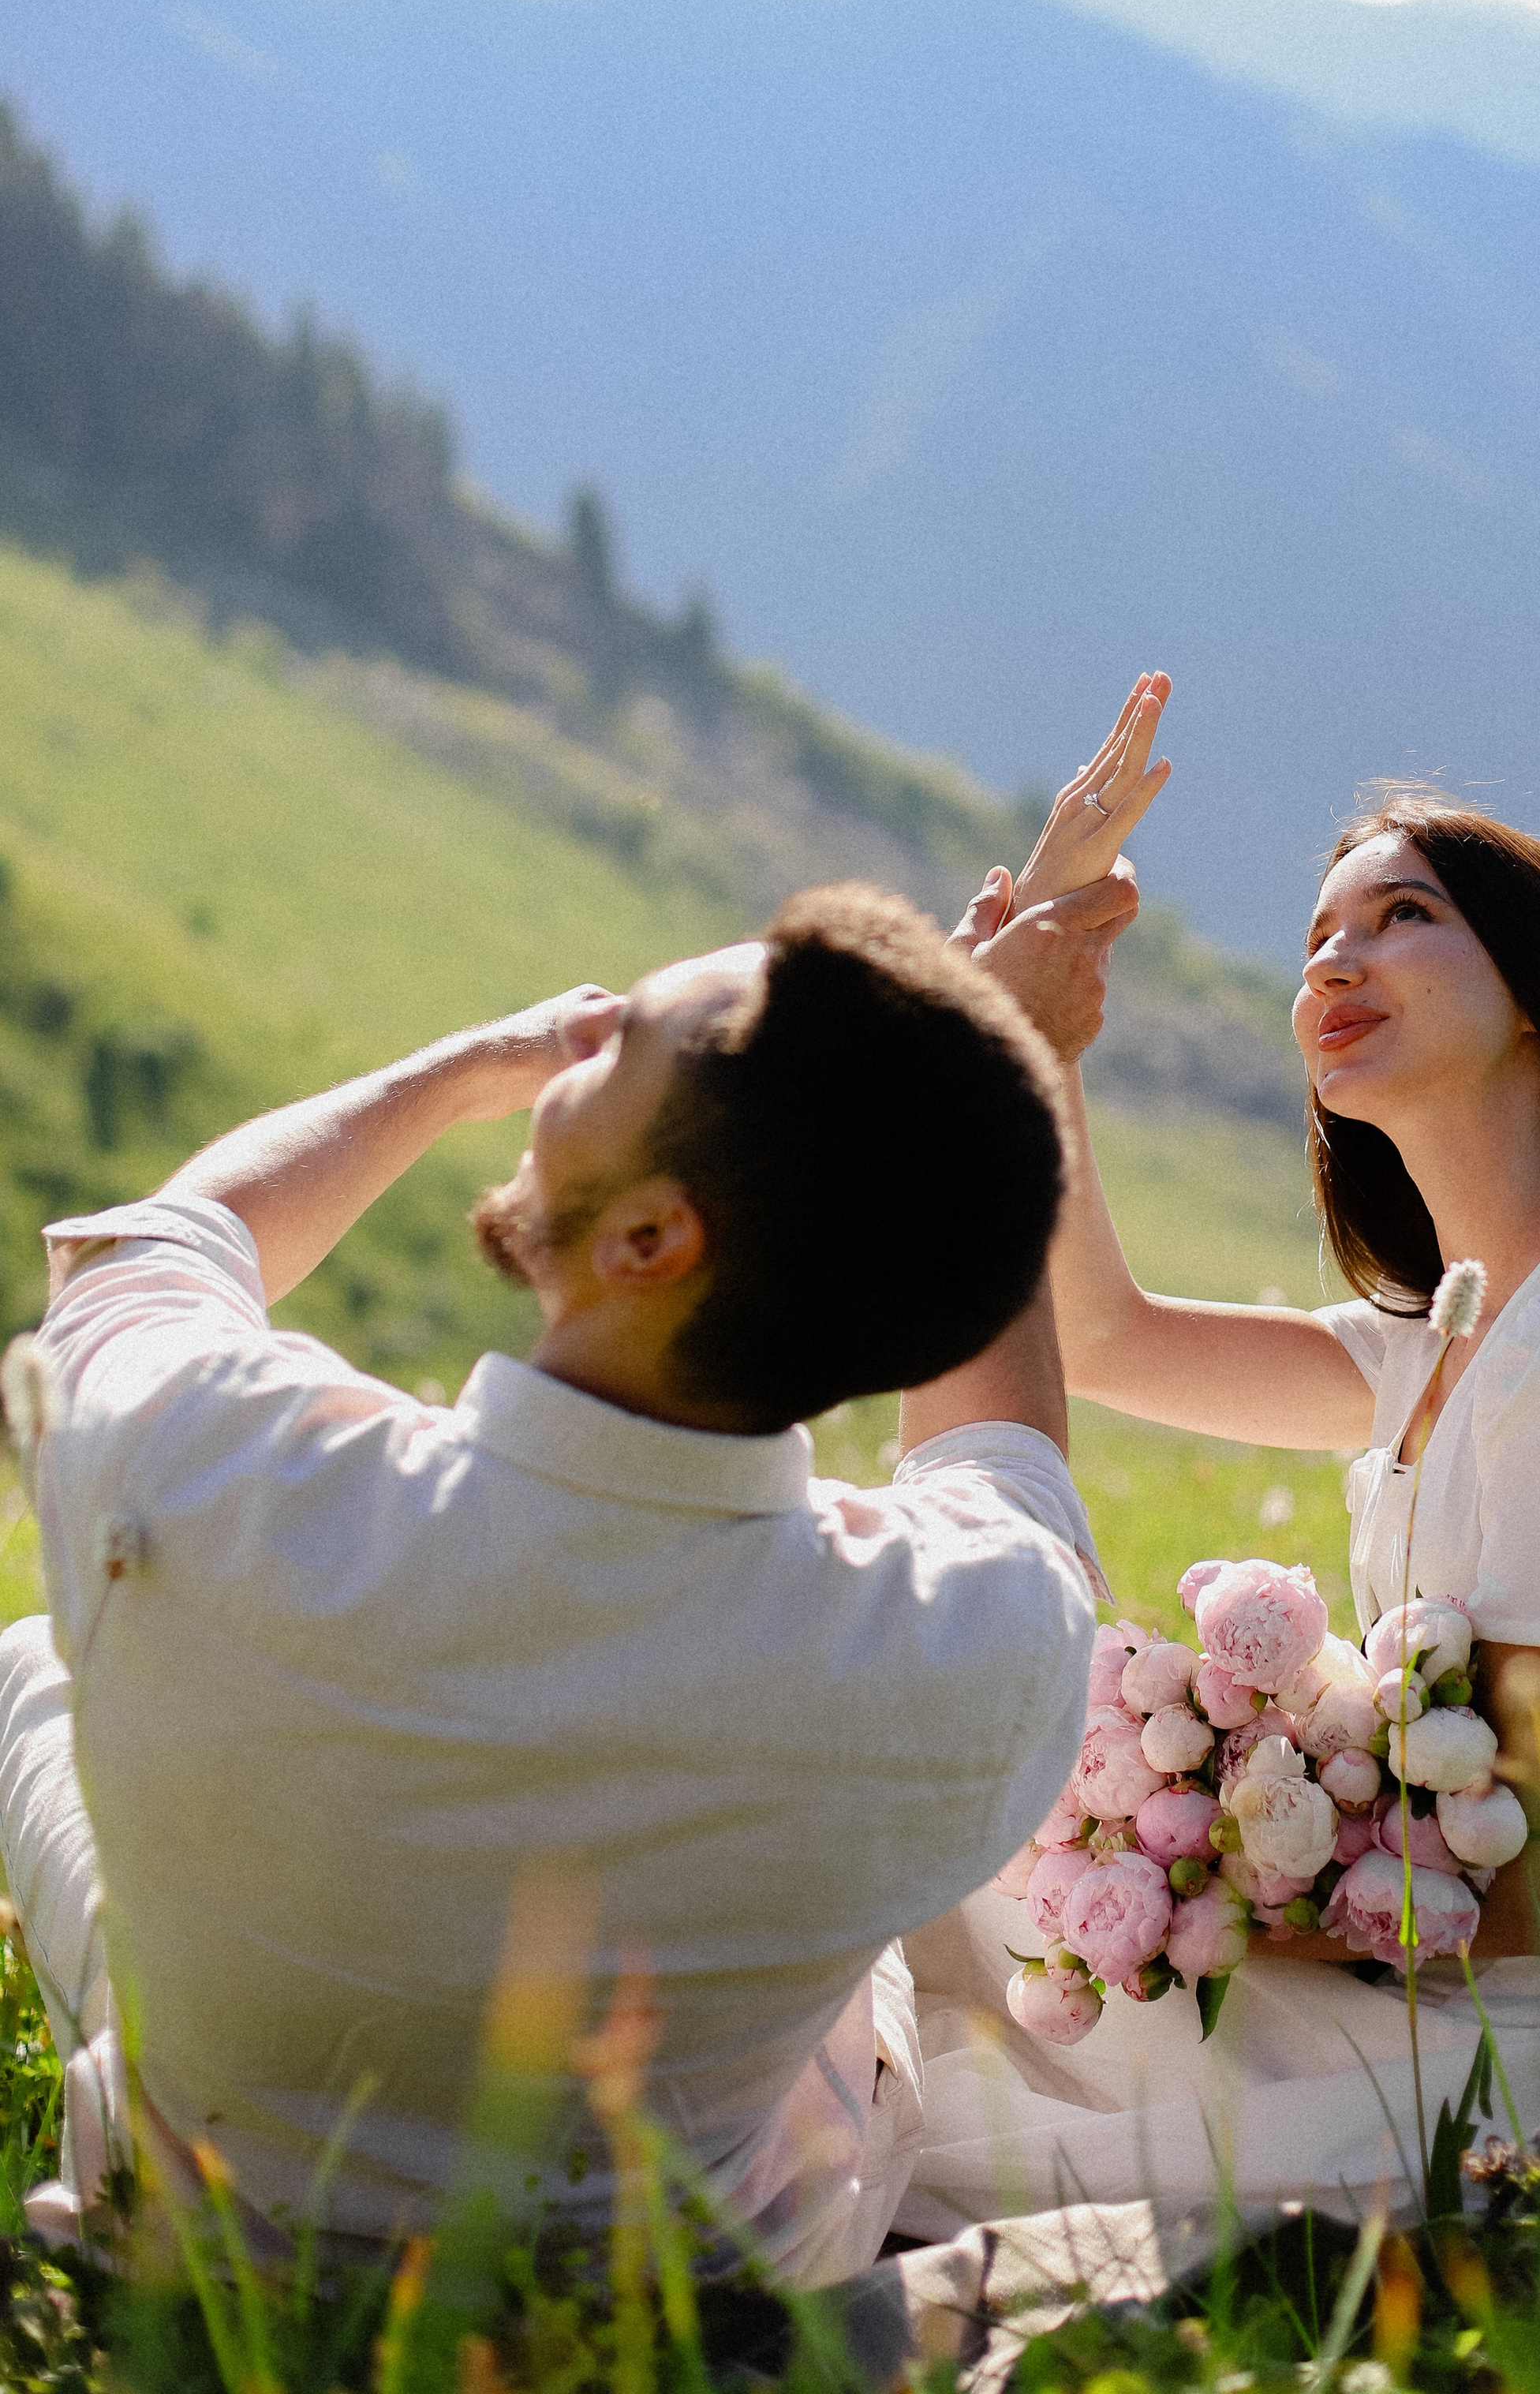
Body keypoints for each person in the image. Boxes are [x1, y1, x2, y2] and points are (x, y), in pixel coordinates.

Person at [0, 876, 1132, 2281]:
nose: (580, 1041)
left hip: (200, 2241)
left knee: (32, 1670)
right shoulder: (971, 1645)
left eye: (616, 1045)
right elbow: (1004, 1462)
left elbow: (155, 1252)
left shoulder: (221, 1459)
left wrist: (469, 1068)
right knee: (870, 1966)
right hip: (668, 2303)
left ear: (651, 1240)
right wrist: (981, 1081)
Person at [902, 683, 1540, 2232]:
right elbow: (1098, 1341)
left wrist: (1174, 1893)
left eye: (1401, 915)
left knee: (966, 1932)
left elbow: (1537, 1898)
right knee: (951, 1868)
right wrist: (1029, 1015)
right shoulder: (1434, 1336)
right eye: (1313, 937)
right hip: (1454, 1945)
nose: (1330, 960)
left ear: (1536, 996)